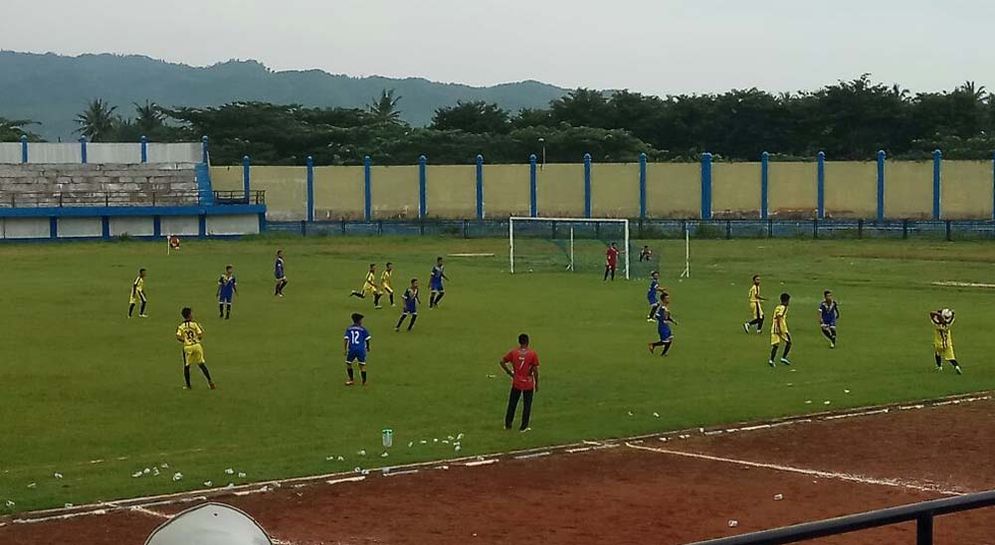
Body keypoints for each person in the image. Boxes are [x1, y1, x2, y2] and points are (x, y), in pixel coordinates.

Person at [499, 334, 540, 432]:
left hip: (516, 382)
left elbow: (502, 361)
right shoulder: (532, 354)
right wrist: (537, 383)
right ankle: (523, 427)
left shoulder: (514, 352)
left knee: (512, 403)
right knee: (527, 405)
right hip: (528, 383)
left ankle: (508, 424)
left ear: (519, 342)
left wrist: (509, 373)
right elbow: (535, 370)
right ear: (528, 341)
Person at [175, 307, 216, 390]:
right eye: (191, 313)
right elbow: (200, 335)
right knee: (201, 364)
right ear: (189, 315)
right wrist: (197, 338)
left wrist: (185, 340)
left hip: (188, 347)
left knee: (187, 366)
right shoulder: (195, 324)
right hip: (197, 346)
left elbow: (178, 336)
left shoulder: (181, 326)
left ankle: (188, 385)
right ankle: (210, 381)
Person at [929, 309, 963, 374]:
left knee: (937, 353)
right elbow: (952, 316)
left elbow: (931, 315)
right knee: (951, 357)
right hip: (947, 343)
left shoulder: (937, 324)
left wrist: (939, 313)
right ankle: (956, 366)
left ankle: (939, 366)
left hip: (939, 343)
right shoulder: (949, 324)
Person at [344, 313, 372, 386]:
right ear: (359, 321)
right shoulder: (363, 329)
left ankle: (351, 380)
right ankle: (364, 382)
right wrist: (368, 347)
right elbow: (367, 339)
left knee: (348, 363)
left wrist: (345, 349)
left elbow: (346, 339)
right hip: (361, 349)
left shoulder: (349, 328)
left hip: (352, 349)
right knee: (362, 365)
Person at [648, 291, 677, 356]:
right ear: (663, 300)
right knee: (665, 342)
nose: (668, 300)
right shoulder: (662, 308)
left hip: (666, 326)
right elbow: (657, 316)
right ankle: (653, 345)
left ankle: (663, 354)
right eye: (667, 298)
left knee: (670, 339)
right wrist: (663, 320)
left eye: (668, 298)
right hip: (662, 327)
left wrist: (672, 321)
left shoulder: (665, 307)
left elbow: (667, 317)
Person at [768, 293, 792, 367]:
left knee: (776, 345)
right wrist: (779, 328)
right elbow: (779, 316)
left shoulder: (778, 307)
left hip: (774, 327)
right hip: (781, 328)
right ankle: (783, 357)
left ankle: (771, 360)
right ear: (786, 301)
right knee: (789, 342)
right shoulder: (783, 307)